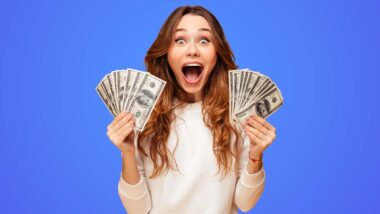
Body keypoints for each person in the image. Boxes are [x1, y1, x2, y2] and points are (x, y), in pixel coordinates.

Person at [106, 5, 277, 214]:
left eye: (204, 40)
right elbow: (137, 209)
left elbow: (245, 202)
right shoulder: (145, 117)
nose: (193, 50)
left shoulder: (238, 116)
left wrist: (256, 155)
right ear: (167, 53)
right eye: (180, 41)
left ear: (217, 53)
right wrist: (128, 153)